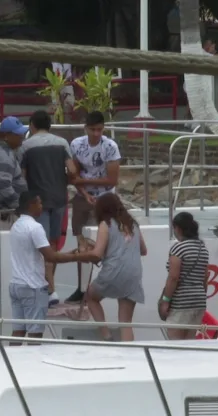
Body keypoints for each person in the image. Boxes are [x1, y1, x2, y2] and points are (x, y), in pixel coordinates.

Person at [9, 191, 84, 344]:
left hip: (16, 285)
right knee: (35, 335)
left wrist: (68, 254)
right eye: (39, 203)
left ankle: (10, 363)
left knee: (18, 331)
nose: (42, 207)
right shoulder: (35, 227)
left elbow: (46, 254)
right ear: (31, 205)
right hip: (33, 286)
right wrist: (78, 257)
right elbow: (51, 257)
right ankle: (33, 366)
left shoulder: (16, 226)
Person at [21, 110, 77, 304]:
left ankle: (49, 289)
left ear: (32, 125)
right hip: (60, 199)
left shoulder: (26, 146)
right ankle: (49, 286)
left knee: (41, 245)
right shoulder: (62, 143)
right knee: (52, 243)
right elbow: (72, 170)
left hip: (39, 202)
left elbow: (22, 176)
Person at [75, 193, 147, 342]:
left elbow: (97, 254)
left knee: (91, 296)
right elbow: (144, 250)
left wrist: (80, 254)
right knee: (125, 322)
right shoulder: (132, 224)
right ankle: (130, 354)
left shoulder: (105, 224)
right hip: (133, 274)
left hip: (113, 271)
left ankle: (105, 334)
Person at [66, 110, 121, 303]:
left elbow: (113, 179)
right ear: (86, 128)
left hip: (106, 198)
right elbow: (74, 175)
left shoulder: (110, 146)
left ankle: (105, 285)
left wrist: (85, 182)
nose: (97, 133)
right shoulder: (76, 145)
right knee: (82, 244)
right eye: (93, 129)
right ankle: (82, 288)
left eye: (100, 129)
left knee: (106, 244)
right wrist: (85, 193)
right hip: (84, 197)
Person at [159, 212, 209, 340]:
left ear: (178, 228)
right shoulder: (202, 249)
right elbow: (205, 278)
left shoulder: (178, 248)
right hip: (198, 301)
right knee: (189, 343)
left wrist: (165, 300)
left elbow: (173, 277)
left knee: (176, 344)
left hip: (181, 302)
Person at [0, 116, 28, 231]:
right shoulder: (4, 155)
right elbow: (3, 184)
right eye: (18, 134)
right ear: (6, 136)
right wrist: (18, 206)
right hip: (2, 215)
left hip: (0, 213)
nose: (22, 137)